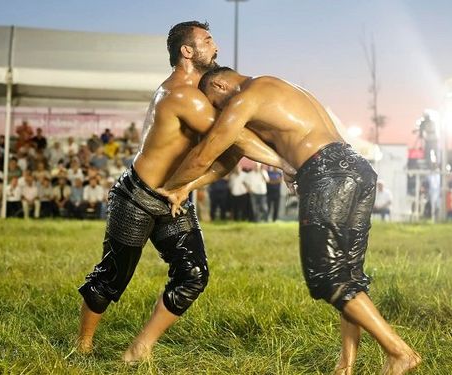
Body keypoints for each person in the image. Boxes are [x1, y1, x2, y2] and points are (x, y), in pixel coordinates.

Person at [161, 67, 420, 374]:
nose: (218, 111)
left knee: (326, 275)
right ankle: (345, 365)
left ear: (219, 84)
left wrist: (171, 186)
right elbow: (230, 157)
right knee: (347, 274)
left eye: (214, 103)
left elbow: (207, 153)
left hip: (327, 173)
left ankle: (399, 352)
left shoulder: (246, 99)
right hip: (356, 168)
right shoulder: (281, 87)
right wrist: (189, 186)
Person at [76, 21, 292, 363]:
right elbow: (232, 135)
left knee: (193, 275)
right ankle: (82, 347)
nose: (216, 47)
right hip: (137, 196)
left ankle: (140, 348)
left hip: (173, 196)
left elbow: (237, 138)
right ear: (186, 51)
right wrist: (285, 163)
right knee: (112, 278)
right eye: (207, 40)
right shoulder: (180, 94)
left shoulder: (206, 92)